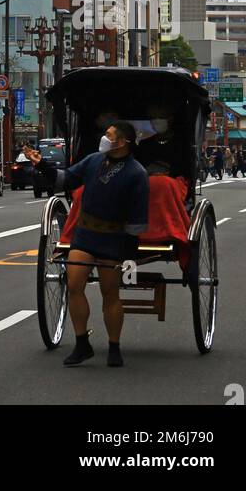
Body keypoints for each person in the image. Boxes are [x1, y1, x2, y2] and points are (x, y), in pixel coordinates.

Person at [24, 122, 149, 369]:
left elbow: (137, 222)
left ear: (122, 142)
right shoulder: (94, 160)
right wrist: (42, 164)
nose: (104, 137)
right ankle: (82, 344)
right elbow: (66, 179)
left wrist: (129, 257)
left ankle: (114, 346)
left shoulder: (137, 174)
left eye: (109, 135)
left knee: (110, 292)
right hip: (85, 233)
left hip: (114, 238)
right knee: (73, 284)